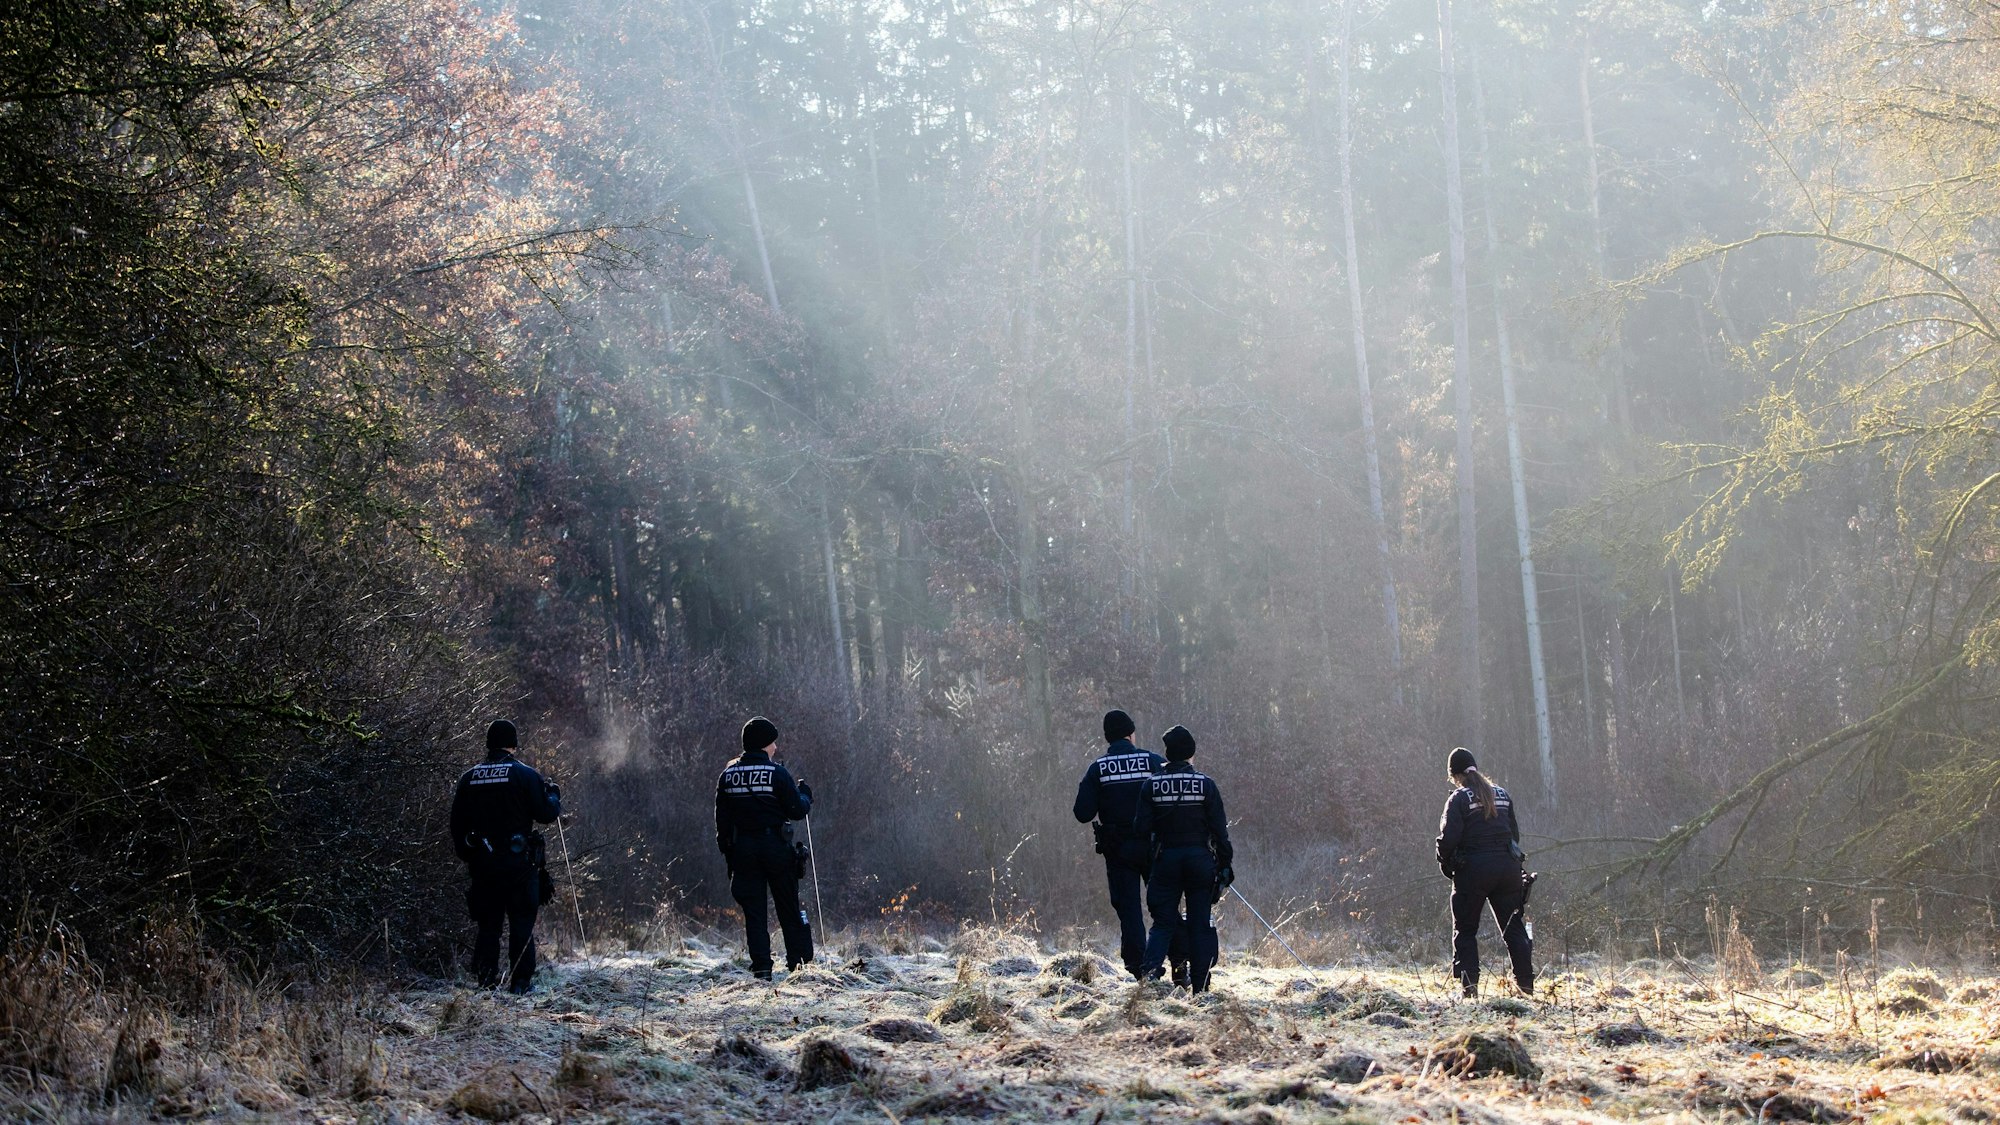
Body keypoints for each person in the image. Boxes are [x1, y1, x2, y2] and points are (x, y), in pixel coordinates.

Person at [1073, 709, 1188, 983]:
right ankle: (1181, 964)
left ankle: (1143, 970)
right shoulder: (1153, 761)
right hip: (1154, 848)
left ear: (1108, 737)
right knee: (1165, 907)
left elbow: (1082, 813)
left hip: (1118, 851)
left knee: (1129, 910)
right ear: (1130, 734)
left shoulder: (1098, 769)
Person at [449, 719, 563, 994]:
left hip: (484, 866)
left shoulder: (469, 778)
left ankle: (485, 982)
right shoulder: (525, 775)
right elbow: (547, 814)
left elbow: (456, 824)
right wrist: (554, 796)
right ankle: (521, 984)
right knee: (522, 923)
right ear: (513, 744)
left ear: (488, 744)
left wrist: (470, 854)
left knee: (488, 925)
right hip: (519, 865)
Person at [1133, 725, 1232, 993]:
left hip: (1166, 861)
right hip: (1200, 861)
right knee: (1200, 923)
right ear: (1191, 754)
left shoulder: (1151, 785)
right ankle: (1200, 989)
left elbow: (1141, 830)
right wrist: (1225, 864)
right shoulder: (1206, 785)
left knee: (1163, 922)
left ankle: (1149, 979)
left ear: (1167, 753)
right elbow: (1220, 831)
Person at [716, 716, 815, 980]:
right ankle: (798, 965)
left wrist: (729, 853)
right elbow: (797, 809)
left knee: (754, 911)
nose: (775, 748)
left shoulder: (727, 776)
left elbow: (722, 823)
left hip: (743, 850)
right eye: (772, 743)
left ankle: (761, 967)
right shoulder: (777, 774)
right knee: (787, 906)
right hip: (775, 848)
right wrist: (805, 794)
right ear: (762, 744)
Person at [1434, 746, 1534, 998]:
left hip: (1474, 872)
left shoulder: (1458, 799)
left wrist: (1448, 867)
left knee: (1466, 930)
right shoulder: (1502, 795)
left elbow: (1447, 841)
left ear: (1454, 776)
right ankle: (1526, 988)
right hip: (1508, 870)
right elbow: (1515, 836)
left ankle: (1470, 991)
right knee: (1514, 929)